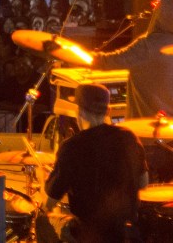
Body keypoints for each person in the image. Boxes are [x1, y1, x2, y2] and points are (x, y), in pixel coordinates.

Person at [38, 83, 147, 243]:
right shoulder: (129, 138)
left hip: (88, 234)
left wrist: (42, 178)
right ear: (108, 111)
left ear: (79, 111)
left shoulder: (72, 147)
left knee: (41, 218)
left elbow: (50, 202)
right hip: (125, 230)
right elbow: (143, 183)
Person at [93, 0, 173, 118]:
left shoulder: (148, 46)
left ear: (161, 14)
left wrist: (71, 54)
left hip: (147, 128)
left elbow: (108, 62)